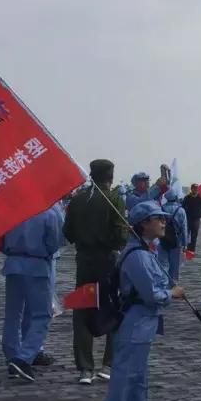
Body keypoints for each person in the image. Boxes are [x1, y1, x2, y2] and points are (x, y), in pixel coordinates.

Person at [100, 201, 187, 401]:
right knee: (124, 383)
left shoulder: (145, 251)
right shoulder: (138, 256)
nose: (163, 222)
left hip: (143, 325)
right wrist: (172, 293)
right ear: (143, 224)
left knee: (137, 381)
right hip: (135, 323)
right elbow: (152, 295)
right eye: (157, 218)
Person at [64, 159, 130, 385]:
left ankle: (85, 368)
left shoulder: (78, 200)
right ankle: (108, 364)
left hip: (84, 261)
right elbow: (122, 237)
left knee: (82, 311)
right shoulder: (114, 201)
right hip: (107, 261)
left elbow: (68, 233)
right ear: (110, 177)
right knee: (113, 309)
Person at [0, 203, 65, 381]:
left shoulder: (12, 208)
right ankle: (24, 357)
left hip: (13, 264)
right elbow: (56, 242)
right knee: (42, 315)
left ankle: (12, 353)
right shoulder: (50, 211)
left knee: (12, 314)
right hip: (37, 266)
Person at [158, 184, 189, 285]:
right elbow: (184, 228)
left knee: (163, 264)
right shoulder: (181, 210)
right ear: (176, 197)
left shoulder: (160, 209)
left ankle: (163, 284)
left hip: (162, 239)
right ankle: (173, 286)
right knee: (175, 266)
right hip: (177, 240)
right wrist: (185, 244)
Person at [183, 184, 201, 252]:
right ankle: (184, 248)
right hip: (188, 219)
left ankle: (191, 250)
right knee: (186, 234)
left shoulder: (200, 199)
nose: (195, 190)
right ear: (191, 189)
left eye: (196, 189)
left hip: (196, 220)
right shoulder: (187, 198)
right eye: (194, 188)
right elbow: (183, 208)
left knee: (194, 236)